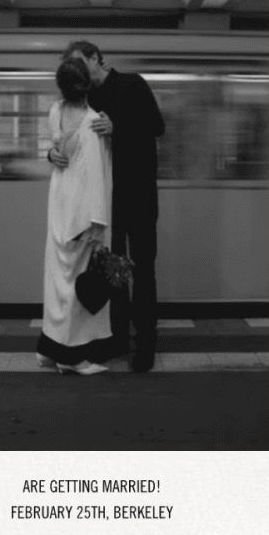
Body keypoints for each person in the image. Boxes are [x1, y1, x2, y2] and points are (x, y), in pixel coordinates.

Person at [50, 40, 166, 371]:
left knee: (143, 270)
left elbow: (157, 126)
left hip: (140, 195)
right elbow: (67, 140)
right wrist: (51, 154)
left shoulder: (133, 83)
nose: (76, 72)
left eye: (79, 64)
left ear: (96, 58)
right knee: (112, 272)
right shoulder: (86, 98)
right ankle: (116, 338)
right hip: (106, 200)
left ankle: (145, 344)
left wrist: (118, 128)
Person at [36, 54, 115, 374]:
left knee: (56, 282)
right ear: (88, 86)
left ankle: (48, 350)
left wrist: (51, 153)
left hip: (58, 205)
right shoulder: (92, 123)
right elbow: (96, 175)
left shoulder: (55, 112)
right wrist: (97, 222)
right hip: (82, 213)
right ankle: (73, 358)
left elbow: (57, 150)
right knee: (76, 286)